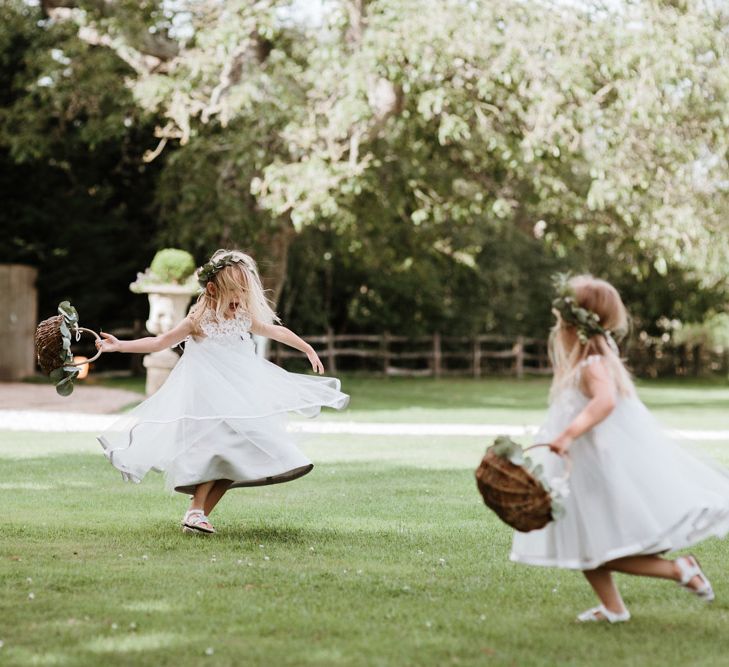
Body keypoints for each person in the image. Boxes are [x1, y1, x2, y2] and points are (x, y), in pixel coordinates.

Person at [510, 274, 729, 623]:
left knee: (598, 546)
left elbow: (605, 402)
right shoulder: (598, 354)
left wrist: (567, 434)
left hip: (597, 469)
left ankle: (678, 570)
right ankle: (613, 607)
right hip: (584, 469)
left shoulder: (593, 364)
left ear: (573, 323)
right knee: (584, 541)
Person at [96, 249, 349, 535]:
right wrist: (120, 346)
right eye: (233, 293)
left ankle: (196, 514)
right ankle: (195, 512)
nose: (239, 299)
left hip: (240, 399)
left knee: (240, 455)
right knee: (220, 452)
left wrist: (307, 348)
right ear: (213, 290)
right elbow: (160, 341)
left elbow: (275, 330)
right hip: (207, 402)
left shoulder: (241, 317)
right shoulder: (197, 322)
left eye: (243, 292)